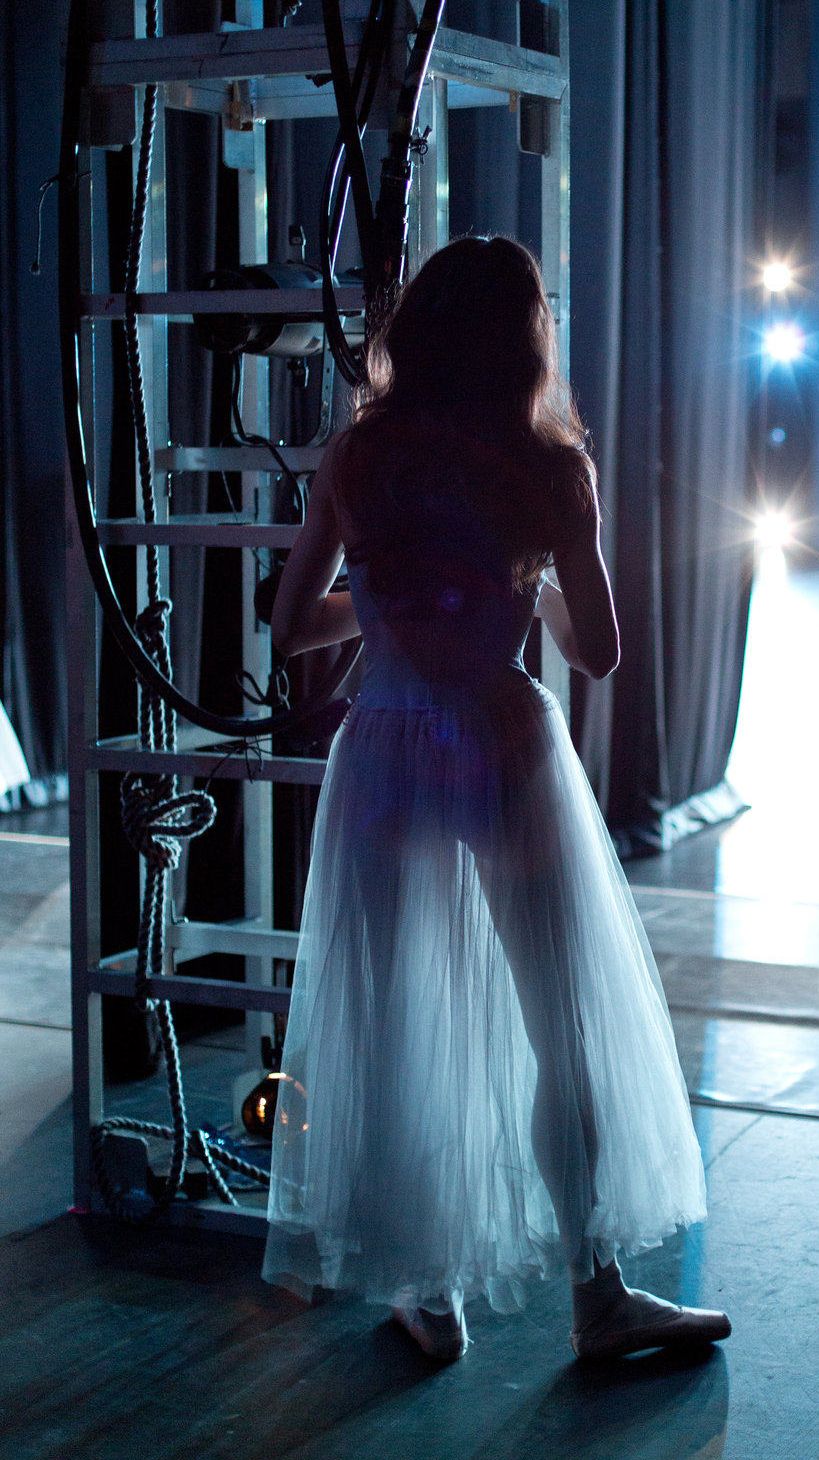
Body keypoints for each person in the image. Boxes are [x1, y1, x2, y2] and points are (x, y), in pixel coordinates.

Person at [261, 236, 730, 1363]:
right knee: (559, 1026)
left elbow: (288, 630)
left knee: (395, 1018)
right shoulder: (551, 466)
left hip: (388, 744)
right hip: (501, 740)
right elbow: (601, 653)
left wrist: (379, 613)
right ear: (529, 340)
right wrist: (543, 581)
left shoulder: (357, 459)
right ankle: (598, 1293)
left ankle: (427, 1289)